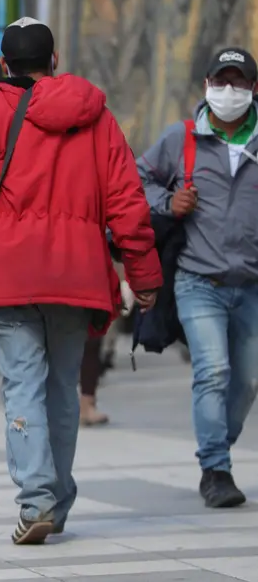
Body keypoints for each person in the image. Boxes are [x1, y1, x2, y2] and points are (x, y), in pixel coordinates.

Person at [0, 17, 162, 544]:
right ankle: (57, 501)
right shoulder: (98, 117)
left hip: (11, 274)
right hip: (80, 274)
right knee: (64, 390)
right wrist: (144, 274)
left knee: (22, 384)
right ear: (55, 60)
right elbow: (128, 201)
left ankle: (37, 498)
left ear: (3, 64)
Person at [138, 47, 258, 509]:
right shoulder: (182, 139)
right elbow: (138, 178)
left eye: (240, 82)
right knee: (213, 371)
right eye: (221, 81)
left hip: (251, 284)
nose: (230, 91)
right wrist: (169, 204)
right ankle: (215, 469)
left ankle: (218, 445)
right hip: (196, 280)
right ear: (206, 84)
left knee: (247, 382)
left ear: (253, 88)